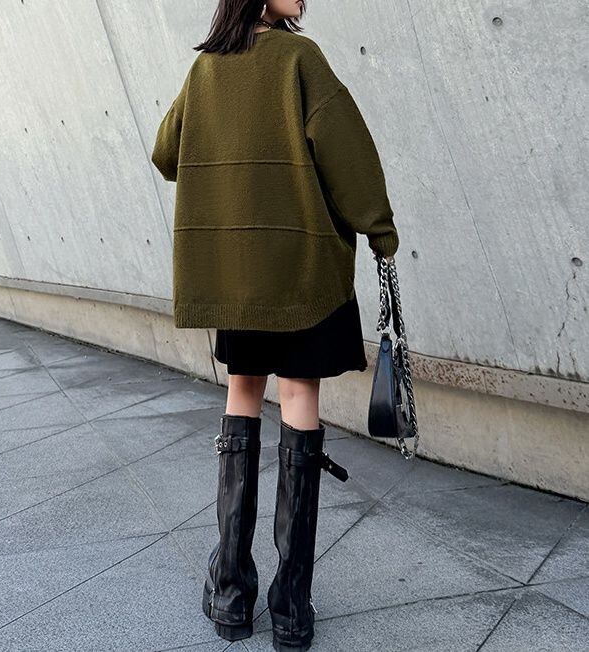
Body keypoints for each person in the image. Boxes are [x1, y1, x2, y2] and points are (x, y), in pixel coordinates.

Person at [151, 1, 399, 649]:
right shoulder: (301, 59)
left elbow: (166, 152)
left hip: (238, 275)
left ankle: (231, 595)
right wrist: (379, 229)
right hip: (302, 272)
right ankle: (291, 606)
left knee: (242, 394)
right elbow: (349, 159)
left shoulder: (207, 69)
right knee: (299, 399)